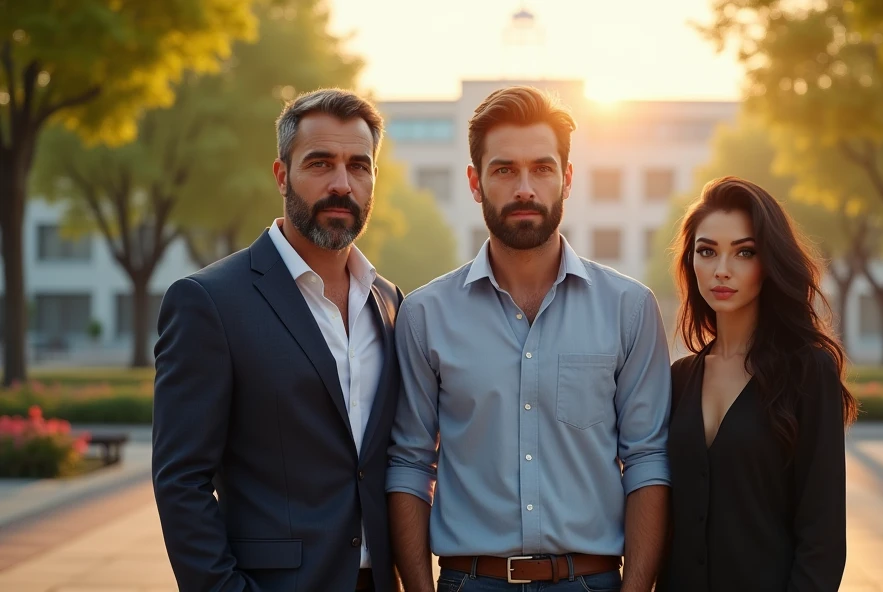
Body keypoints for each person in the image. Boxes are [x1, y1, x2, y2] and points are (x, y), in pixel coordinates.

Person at [385, 85, 672, 592]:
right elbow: (410, 462)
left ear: (566, 178)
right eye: (504, 170)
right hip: (469, 582)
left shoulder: (629, 308)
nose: (524, 188)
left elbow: (647, 458)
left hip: (591, 581)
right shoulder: (425, 314)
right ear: (475, 182)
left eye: (541, 168)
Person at [152, 88, 402, 592]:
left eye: (359, 166)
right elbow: (181, 482)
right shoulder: (209, 302)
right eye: (320, 163)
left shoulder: (390, 301)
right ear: (281, 175)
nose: (341, 183)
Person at [657, 176, 858, 591]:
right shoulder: (678, 379)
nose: (722, 270)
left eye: (744, 252)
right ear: (690, 262)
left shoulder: (807, 372)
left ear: (768, 262)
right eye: (707, 251)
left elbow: (822, 539)